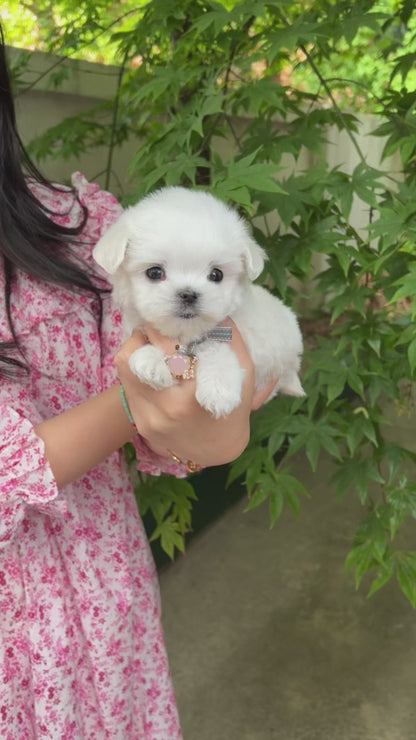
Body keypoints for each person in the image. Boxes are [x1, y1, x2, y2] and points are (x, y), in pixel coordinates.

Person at [0, 26, 273, 739]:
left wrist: (202, 414)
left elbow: (198, 424)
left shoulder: (81, 230)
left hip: (103, 619)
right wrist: (132, 402)